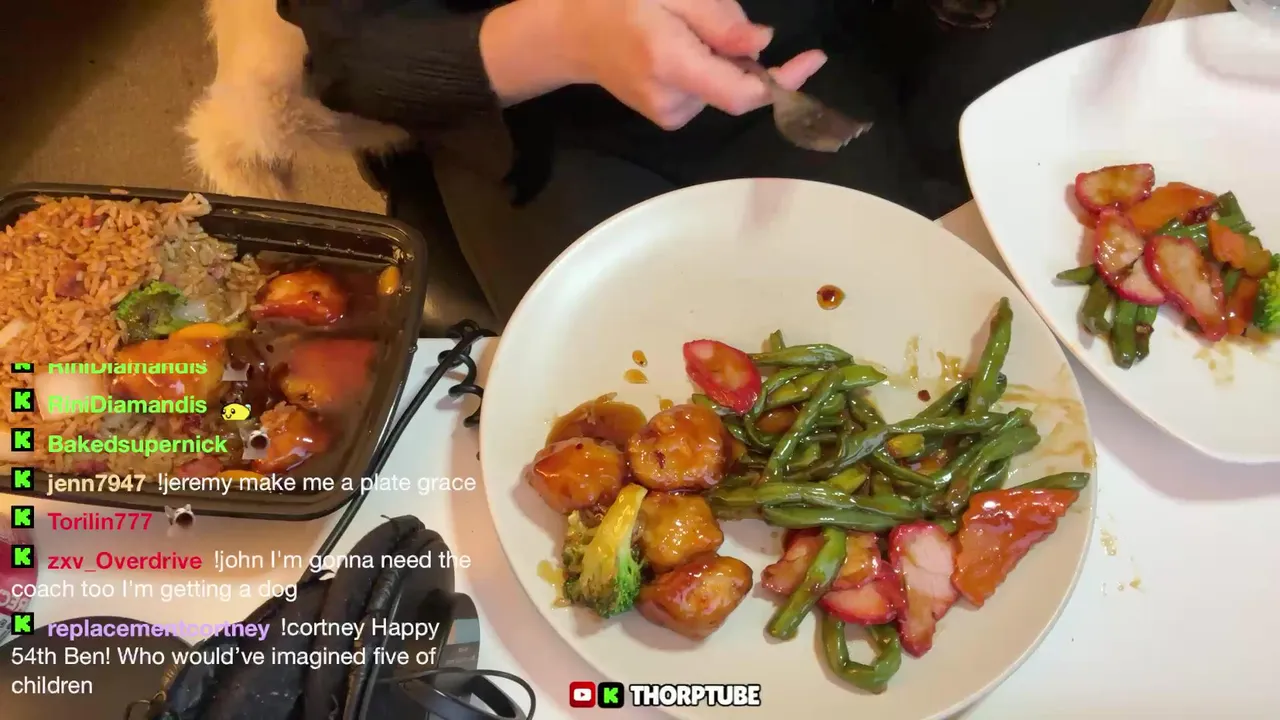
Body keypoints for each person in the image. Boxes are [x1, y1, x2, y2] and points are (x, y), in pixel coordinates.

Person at [272, 0, 1151, 324]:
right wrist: (573, 34)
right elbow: (355, 53)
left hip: (804, 62)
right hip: (535, 119)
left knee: (907, 343)